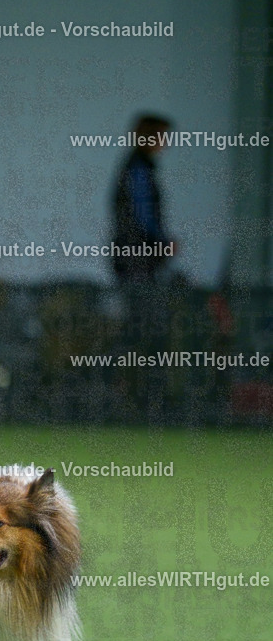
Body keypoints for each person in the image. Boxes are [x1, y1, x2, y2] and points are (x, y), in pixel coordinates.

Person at [110, 114, 178, 421]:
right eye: (162, 136)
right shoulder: (137, 170)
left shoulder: (137, 168)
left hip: (134, 262)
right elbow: (142, 216)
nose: (165, 144)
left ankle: (133, 398)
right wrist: (163, 241)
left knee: (136, 331)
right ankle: (135, 401)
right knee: (141, 332)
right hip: (136, 263)